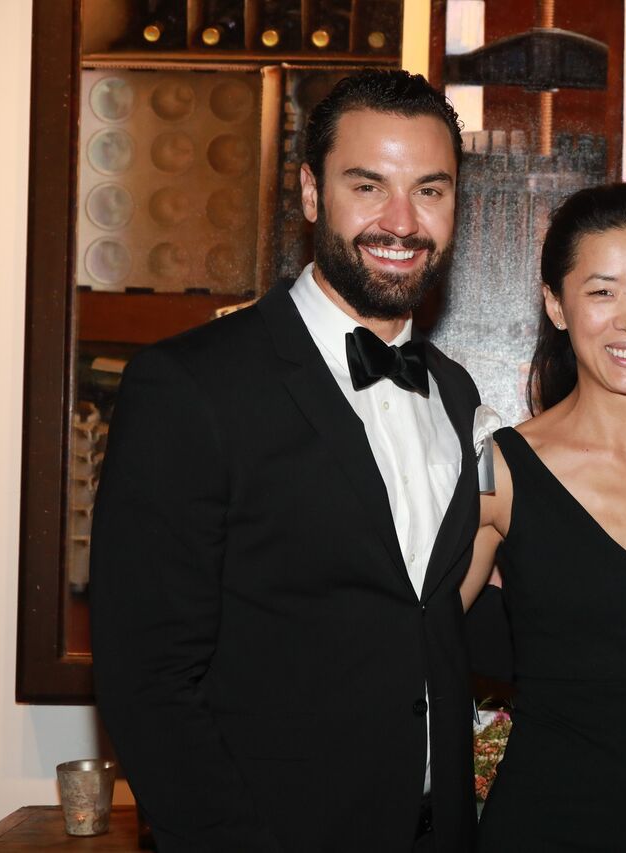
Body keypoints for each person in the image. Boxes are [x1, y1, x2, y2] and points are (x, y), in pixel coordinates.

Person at [91, 70, 480, 852]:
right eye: (368, 185)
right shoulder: (192, 384)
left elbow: (424, 624)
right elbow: (148, 680)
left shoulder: (455, 393)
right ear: (310, 193)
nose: (402, 221)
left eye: (430, 190)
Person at [460, 183, 626, 853]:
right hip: (540, 826)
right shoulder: (500, 471)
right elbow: (412, 639)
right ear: (557, 303)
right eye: (603, 291)